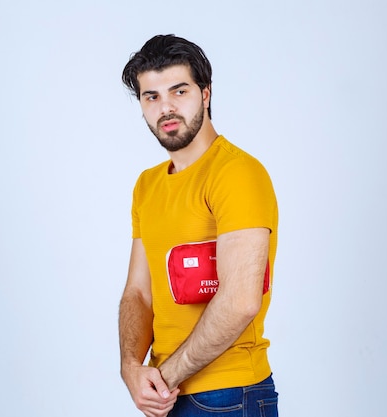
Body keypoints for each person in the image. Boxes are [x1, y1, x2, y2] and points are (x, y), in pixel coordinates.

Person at [118, 34, 279, 417]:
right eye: (151, 96)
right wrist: (131, 370)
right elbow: (139, 293)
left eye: (179, 91)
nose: (166, 107)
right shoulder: (148, 184)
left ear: (205, 94)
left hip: (229, 395)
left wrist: (164, 377)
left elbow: (241, 300)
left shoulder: (236, 173)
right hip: (167, 397)